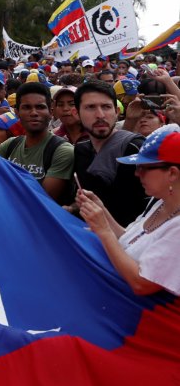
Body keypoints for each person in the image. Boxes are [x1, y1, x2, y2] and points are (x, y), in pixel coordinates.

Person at [77, 124, 180, 296]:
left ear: (172, 173)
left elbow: (142, 283)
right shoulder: (159, 201)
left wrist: (103, 230)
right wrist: (102, 212)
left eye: (143, 168)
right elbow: (132, 241)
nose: (136, 173)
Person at [72, 81, 146, 226]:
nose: (100, 115)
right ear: (77, 113)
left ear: (117, 112)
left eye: (106, 107)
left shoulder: (136, 149)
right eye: (90, 107)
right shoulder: (81, 150)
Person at [0, 82, 74, 203]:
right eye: (27, 107)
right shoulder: (10, 145)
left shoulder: (62, 151)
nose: (34, 113)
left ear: (51, 112)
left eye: (40, 107)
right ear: (16, 113)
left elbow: (42, 201)